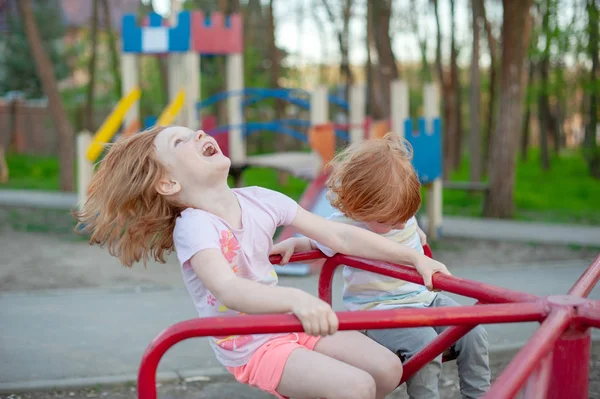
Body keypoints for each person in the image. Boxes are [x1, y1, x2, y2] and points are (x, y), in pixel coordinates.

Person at [74, 125, 451, 399]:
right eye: (180, 141)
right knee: (357, 387)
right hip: (252, 344)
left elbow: (340, 236)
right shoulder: (195, 226)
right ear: (169, 184)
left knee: (387, 370)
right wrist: (297, 299)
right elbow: (228, 288)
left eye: (193, 131)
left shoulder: (260, 199)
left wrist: (412, 257)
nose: (198, 134)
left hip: (288, 323)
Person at [272, 133, 491, 399]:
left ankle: (479, 395)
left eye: (405, 216)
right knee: (425, 345)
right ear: (358, 208)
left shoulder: (400, 211)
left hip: (425, 299)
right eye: (389, 220)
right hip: (380, 312)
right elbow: (322, 239)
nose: (400, 224)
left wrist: (417, 232)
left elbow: (408, 230)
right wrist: (298, 243)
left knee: (473, 330)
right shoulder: (346, 226)